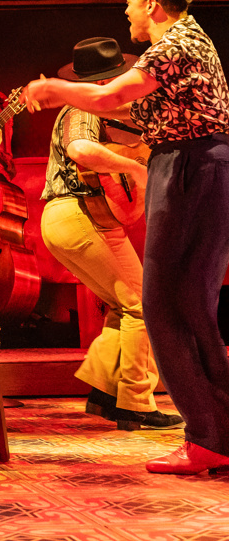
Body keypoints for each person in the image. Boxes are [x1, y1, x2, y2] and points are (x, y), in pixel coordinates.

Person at [24, 0, 229, 476]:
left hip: (191, 167)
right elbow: (125, 110)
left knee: (164, 304)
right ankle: (216, 434)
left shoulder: (176, 44)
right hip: (190, 165)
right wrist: (79, 99)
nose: (126, 6)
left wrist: (52, 91)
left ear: (152, 3)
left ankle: (209, 435)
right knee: (184, 303)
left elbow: (111, 95)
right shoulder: (185, 44)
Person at [39, 37, 182, 432]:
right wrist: (136, 170)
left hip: (74, 217)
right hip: (76, 213)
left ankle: (106, 391)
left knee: (125, 305)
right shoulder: (80, 107)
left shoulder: (95, 110)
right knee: (143, 303)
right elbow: (81, 149)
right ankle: (136, 402)